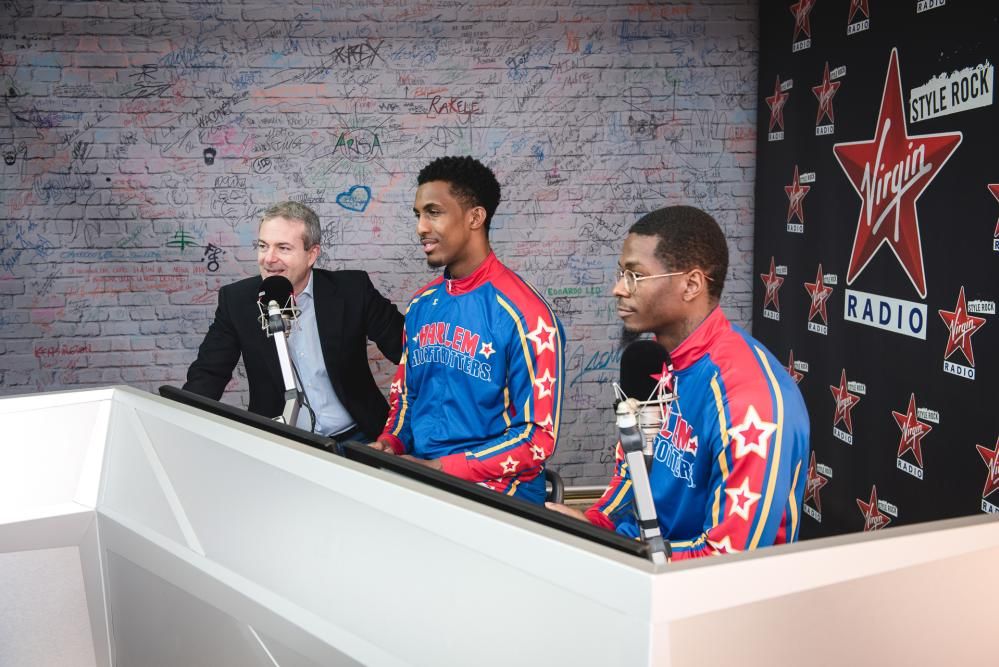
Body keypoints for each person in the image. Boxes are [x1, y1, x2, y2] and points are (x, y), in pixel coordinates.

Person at [548, 205, 810, 558]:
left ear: (691, 285)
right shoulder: (655, 364)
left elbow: (727, 560)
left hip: (695, 584)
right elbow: (635, 472)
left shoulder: (750, 400)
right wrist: (593, 523)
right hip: (639, 558)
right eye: (621, 273)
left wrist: (619, 550)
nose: (618, 289)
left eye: (635, 276)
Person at [372, 156, 565, 504]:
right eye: (418, 215)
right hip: (425, 476)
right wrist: (391, 442)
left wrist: (442, 469)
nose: (421, 227)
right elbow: (407, 399)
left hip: (500, 492)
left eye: (434, 212)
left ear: (475, 217)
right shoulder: (421, 305)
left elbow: (536, 438)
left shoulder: (527, 315)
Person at [183, 201, 404, 444]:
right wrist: (178, 423)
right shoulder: (237, 301)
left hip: (360, 438)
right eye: (263, 246)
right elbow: (208, 375)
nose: (269, 259)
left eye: (283, 248)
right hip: (283, 445)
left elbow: (408, 351)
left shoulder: (352, 289)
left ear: (312, 254)